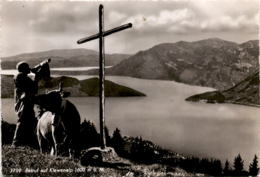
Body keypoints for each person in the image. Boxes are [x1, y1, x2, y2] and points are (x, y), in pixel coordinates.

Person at [12, 61, 41, 148]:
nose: (29, 68)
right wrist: (36, 76)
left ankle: (28, 142)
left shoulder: (20, 76)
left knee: (30, 121)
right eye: (27, 67)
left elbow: (32, 89)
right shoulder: (21, 76)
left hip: (25, 102)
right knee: (23, 121)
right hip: (24, 103)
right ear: (23, 69)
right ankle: (16, 142)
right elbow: (33, 89)